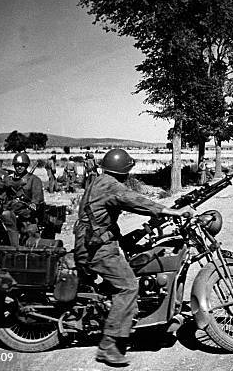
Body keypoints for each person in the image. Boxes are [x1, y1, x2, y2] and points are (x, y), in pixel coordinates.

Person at [73, 148, 195, 366]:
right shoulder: (111, 186)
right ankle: (108, 346)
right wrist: (172, 212)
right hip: (97, 248)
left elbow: (100, 217)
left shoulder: (100, 180)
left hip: (95, 241)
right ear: (122, 171)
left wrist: (125, 239)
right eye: (128, 171)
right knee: (128, 286)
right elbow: (135, 201)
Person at [0, 152, 45, 246]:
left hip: (25, 213)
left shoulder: (34, 180)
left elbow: (37, 198)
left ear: (26, 166)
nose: (19, 167)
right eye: (17, 165)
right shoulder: (9, 179)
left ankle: (15, 245)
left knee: (30, 231)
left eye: (22, 165)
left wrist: (33, 204)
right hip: (10, 208)